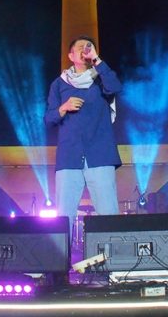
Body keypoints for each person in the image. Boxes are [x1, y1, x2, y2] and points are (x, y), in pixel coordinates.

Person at [45, 36, 123, 241]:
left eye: (89, 47)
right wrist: (63, 107)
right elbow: (49, 118)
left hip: (100, 154)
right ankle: (61, 260)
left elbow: (115, 87)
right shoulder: (59, 84)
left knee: (108, 214)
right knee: (63, 217)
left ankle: (112, 258)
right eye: (80, 47)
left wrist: (97, 60)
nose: (85, 49)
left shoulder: (101, 78)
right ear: (71, 56)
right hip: (69, 156)